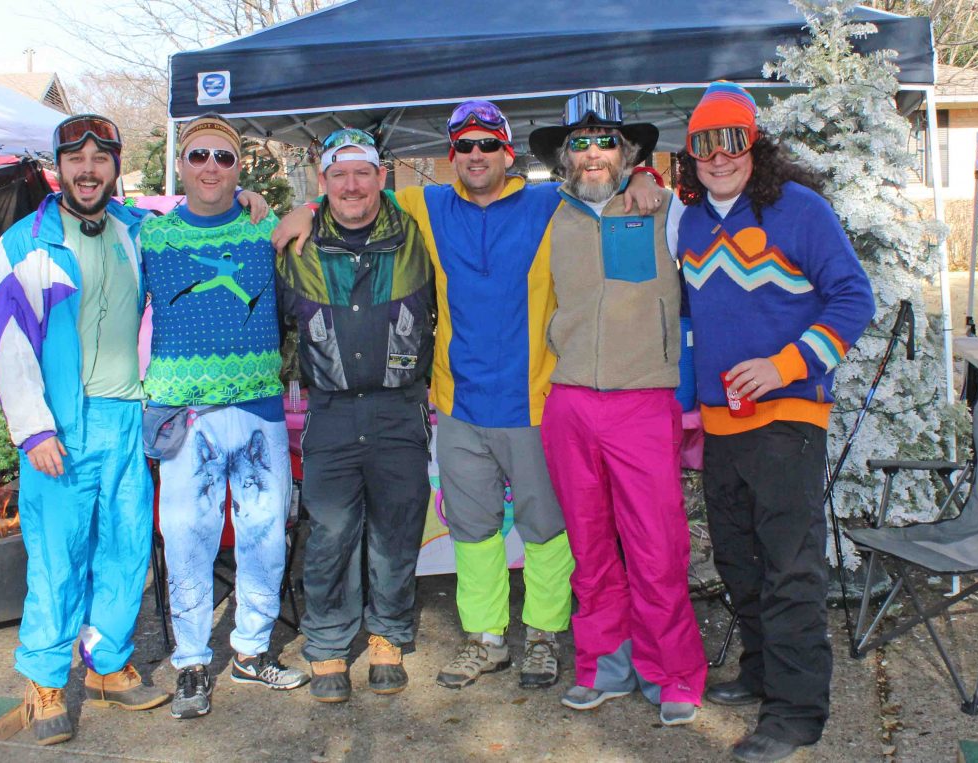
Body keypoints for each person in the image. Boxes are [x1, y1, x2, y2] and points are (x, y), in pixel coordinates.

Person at [272, 101, 663, 693]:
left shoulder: (549, 202)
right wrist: (302, 208)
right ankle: (486, 638)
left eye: (487, 145)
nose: (475, 155)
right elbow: (351, 196)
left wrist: (643, 176)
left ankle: (541, 635)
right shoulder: (424, 205)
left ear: (509, 152)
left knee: (545, 526)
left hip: (534, 400)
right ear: (451, 154)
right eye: (464, 146)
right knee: (473, 529)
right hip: (457, 405)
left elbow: (600, 180)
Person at [674, 82, 874, 762]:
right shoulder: (693, 220)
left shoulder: (800, 210)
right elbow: (692, 318)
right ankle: (763, 670)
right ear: (692, 156)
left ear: (753, 146)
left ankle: (795, 714)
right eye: (705, 145)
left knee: (790, 567)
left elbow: (853, 298)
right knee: (738, 557)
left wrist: (786, 364)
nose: (719, 157)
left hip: (787, 417)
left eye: (732, 141)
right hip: (721, 427)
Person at [0, 114, 169, 745]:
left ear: (116, 166)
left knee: (125, 547)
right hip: (61, 424)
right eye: (75, 159)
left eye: (100, 158)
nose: (88, 170)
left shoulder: (140, 231)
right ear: (56, 168)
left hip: (125, 417)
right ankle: (44, 679)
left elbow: (206, 219)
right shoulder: (24, 244)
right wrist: (34, 431)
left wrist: (255, 201)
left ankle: (108, 665)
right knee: (59, 557)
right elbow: (5, 343)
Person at [528, 90, 707, 725]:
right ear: (564, 156)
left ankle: (674, 673)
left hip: (642, 401)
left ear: (629, 151)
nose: (593, 152)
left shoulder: (667, 212)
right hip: (571, 402)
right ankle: (605, 663)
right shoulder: (547, 216)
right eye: (580, 142)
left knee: (657, 546)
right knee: (591, 546)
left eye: (606, 140)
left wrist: (652, 181)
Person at [142, 113, 306, 721]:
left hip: (259, 411)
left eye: (224, 158)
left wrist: (298, 209)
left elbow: (337, 204)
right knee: (187, 537)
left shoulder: (267, 233)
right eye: (199, 156)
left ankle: (251, 650)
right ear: (181, 165)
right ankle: (189, 662)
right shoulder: (149, 236)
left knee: (264, 533)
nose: (211, 166)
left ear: (241, 168)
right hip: (187, 416)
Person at [276, 129, 435, 702]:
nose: (351, 185)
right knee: (330, 534)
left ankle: (388, 634)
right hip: (332, 411)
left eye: (362, 172)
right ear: (321, 184)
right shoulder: (293, 246)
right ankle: (327, 644)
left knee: (397, 528)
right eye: (338, 175)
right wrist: (297, 211)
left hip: (399, 410)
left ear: (381, 178)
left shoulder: (420, 233)